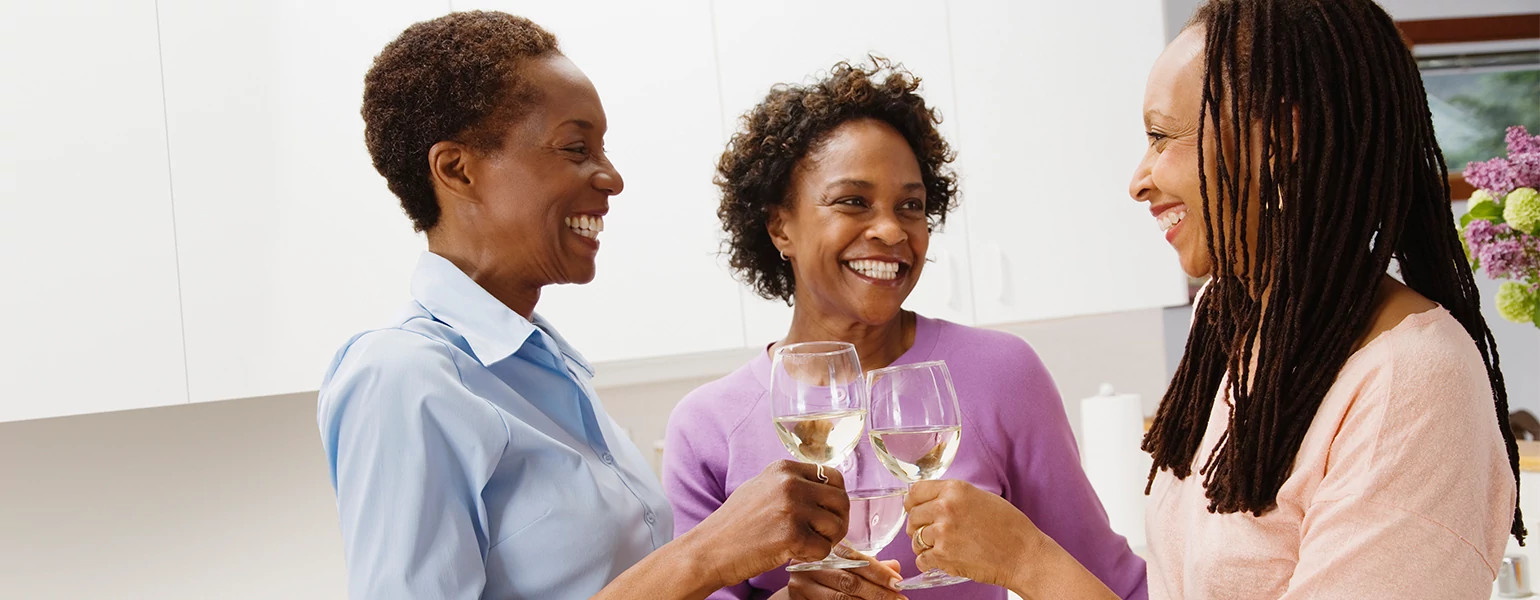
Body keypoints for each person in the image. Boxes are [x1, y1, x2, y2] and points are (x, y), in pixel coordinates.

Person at [900, 1, 1525, 598]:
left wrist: (1027, 561)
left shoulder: (1411, 381)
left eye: (1161, 137)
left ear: (1280, 139)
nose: (1138, 180)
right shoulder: (1228, 319)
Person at [317, 12, 853, 599]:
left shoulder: (544, 366)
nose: (612, 178)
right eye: (576, 148)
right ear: (456, 170)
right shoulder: (403, 376)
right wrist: (706, 554)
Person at [663, 59, 1148, 600]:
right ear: (780, 226)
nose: (892, 230)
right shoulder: (708, 427)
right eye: (853, 201)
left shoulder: (1002, 374)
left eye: (910, 206)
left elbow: (1113, 585)